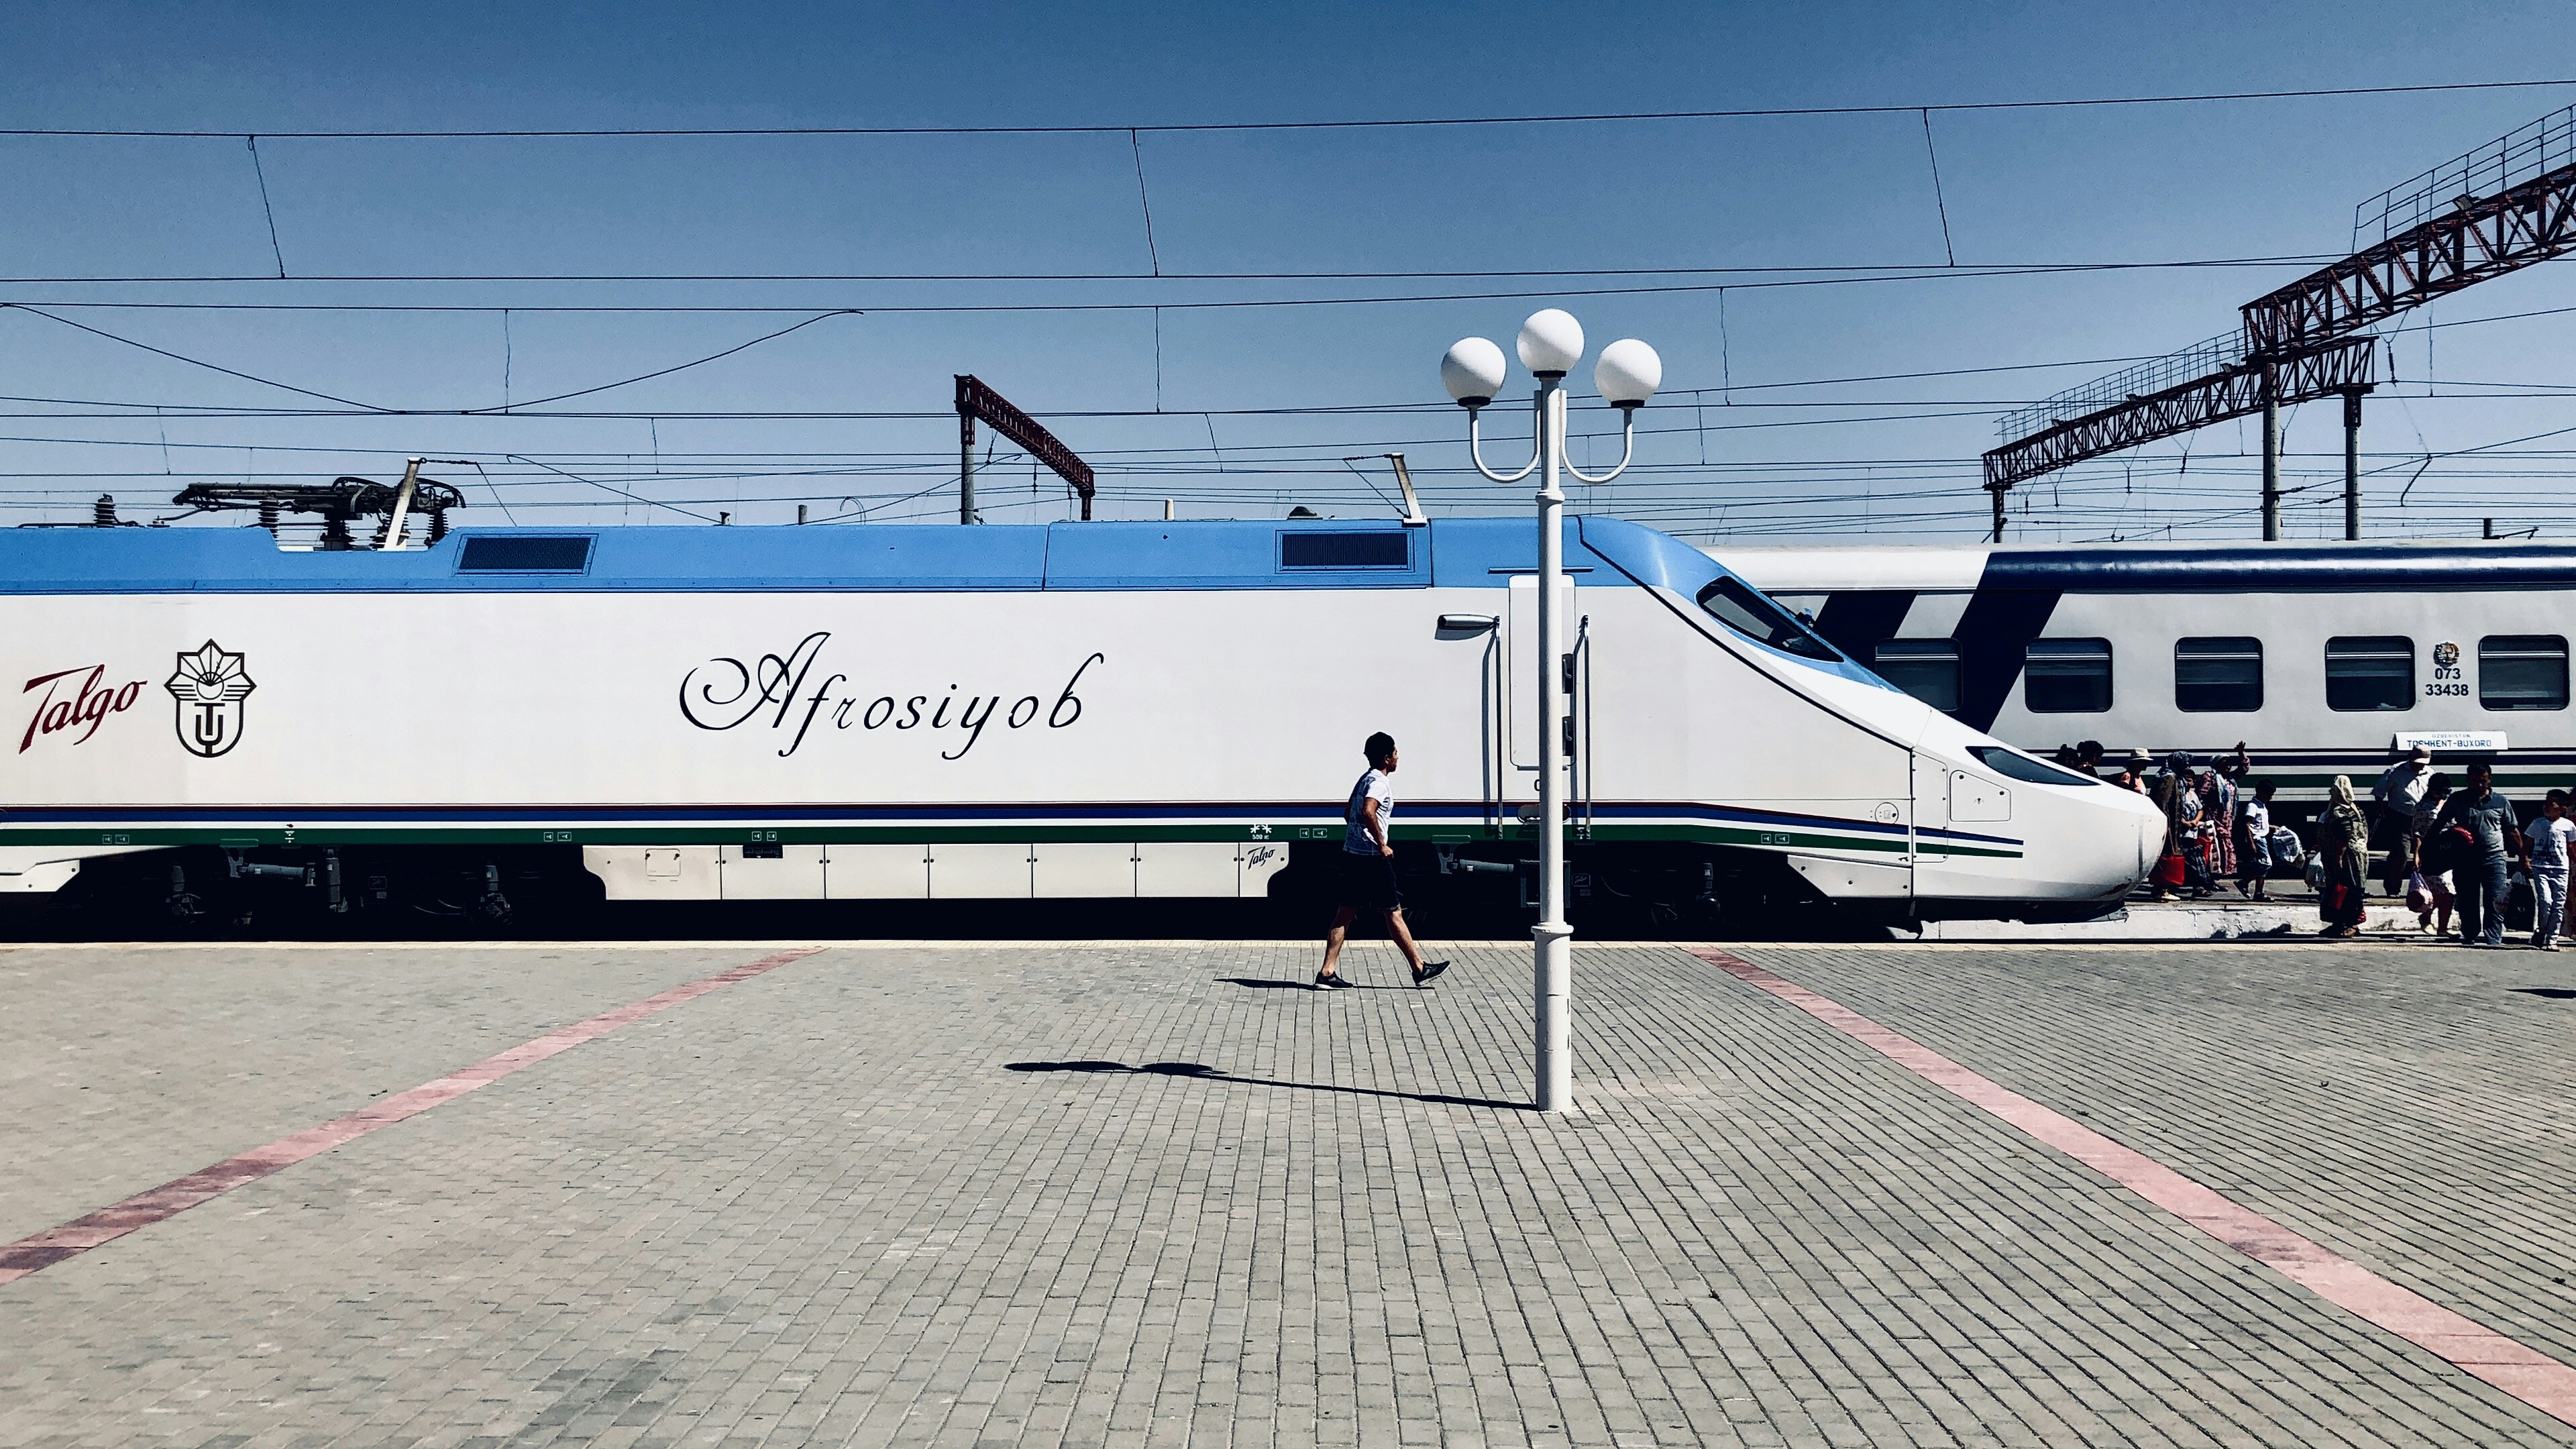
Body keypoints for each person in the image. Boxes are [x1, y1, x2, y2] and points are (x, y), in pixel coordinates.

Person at [1316, 732, 1449, 989]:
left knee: (1345, 913)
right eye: (1396, 753)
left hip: (1353, 854)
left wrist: (1358, 837)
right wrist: (1381, 844)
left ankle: (1327, 972)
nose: (1398, 757)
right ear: (1387, 758)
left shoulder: (1364, 779)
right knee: (1394, 913)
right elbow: (1368, 810)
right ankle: (1419, 968)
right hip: (1373, 859)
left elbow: (1348, 813)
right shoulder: (1380, 783)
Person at [2435, 761, 2526, 947]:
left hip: (2494, 858)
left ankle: (2493, 938)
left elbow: (2512, 830)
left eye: (2483, 781)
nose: (2479, 785)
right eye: (2475, 781)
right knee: (2467, 899)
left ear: (2490, 780)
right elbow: (2439, 823)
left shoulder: (2501, 801)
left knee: (2496, 899)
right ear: (2468, 780)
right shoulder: (2457, 799)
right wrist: (2428, 847)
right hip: (2464, 859)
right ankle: (2470, 934)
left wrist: (2523, 857)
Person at [2371, 745, 2435, 895]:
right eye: (2418, 763)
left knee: (2425, 854)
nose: (2420, 766)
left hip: (2423, 818)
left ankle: (2424, 889)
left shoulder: (2430, 773)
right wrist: (2379, 807)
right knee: (2401, 853)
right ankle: (2393, 887)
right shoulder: (2396, 771)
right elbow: (2379, 791)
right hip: (2401, 818)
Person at [2317, 776, 2372, 938]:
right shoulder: (2356, 809)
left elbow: (2343, 838)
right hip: (2360, 854)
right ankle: (2339, 924)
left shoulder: (2339, 813)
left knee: (2347, 889)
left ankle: (2351, 924)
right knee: (2343, 889)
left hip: (2348, 857)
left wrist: (2338, 858)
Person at [2525, 790, 2574, 951]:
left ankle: (2552, 938)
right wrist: (2523, 859)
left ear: (2562, 808)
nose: (2546, 807)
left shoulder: (2568, 826)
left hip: (2560, 869)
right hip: (2541, 868)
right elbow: (2528, 842)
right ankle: (2542, 929)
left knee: (2558, 904)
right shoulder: (2538, 823)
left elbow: (2571, 846)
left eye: (2551, 804)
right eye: (2545, 803)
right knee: (2546, 900)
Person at [2408, 773, 2456, 936]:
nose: (2443, 795)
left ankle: (2443, 928)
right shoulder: (2424, 807)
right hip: (2432, 852)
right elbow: (2418, 833)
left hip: (2449, 851)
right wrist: (2417, 855)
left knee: (2449, 893)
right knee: (2442, 889)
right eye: (2439, 792)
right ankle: (2426, 915)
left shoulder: (2449, 804)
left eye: (2446, 792)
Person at [2234, 780, 2275, 900]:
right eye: (2269, 795)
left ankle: (2259, 893)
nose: (2270, 798)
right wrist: (2251, 843)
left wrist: (2271, 827)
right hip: (2257, 839)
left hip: (2262, 838)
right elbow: (2247, 824)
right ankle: (2244, 882)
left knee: (2261, 864)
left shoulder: (2262, 806)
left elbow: (2259, 824)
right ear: (2261, 792)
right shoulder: (2252, 806)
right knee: (2266, 864)